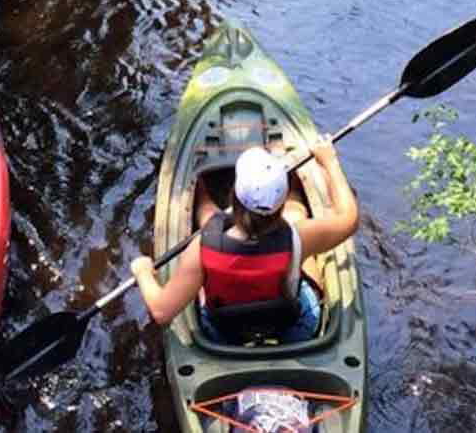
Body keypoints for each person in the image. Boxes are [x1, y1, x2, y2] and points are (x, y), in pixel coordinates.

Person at [130, 140, 358, 343]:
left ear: (234, 195)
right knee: (297, 214)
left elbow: (161, 312)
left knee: (208, 216)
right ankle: (295, 194)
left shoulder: (200, 248)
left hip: (224, 335)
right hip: (292, 329)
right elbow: (349, 219)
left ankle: (200, 190)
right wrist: (330, 162)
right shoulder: (302, 236)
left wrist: (143, 273)